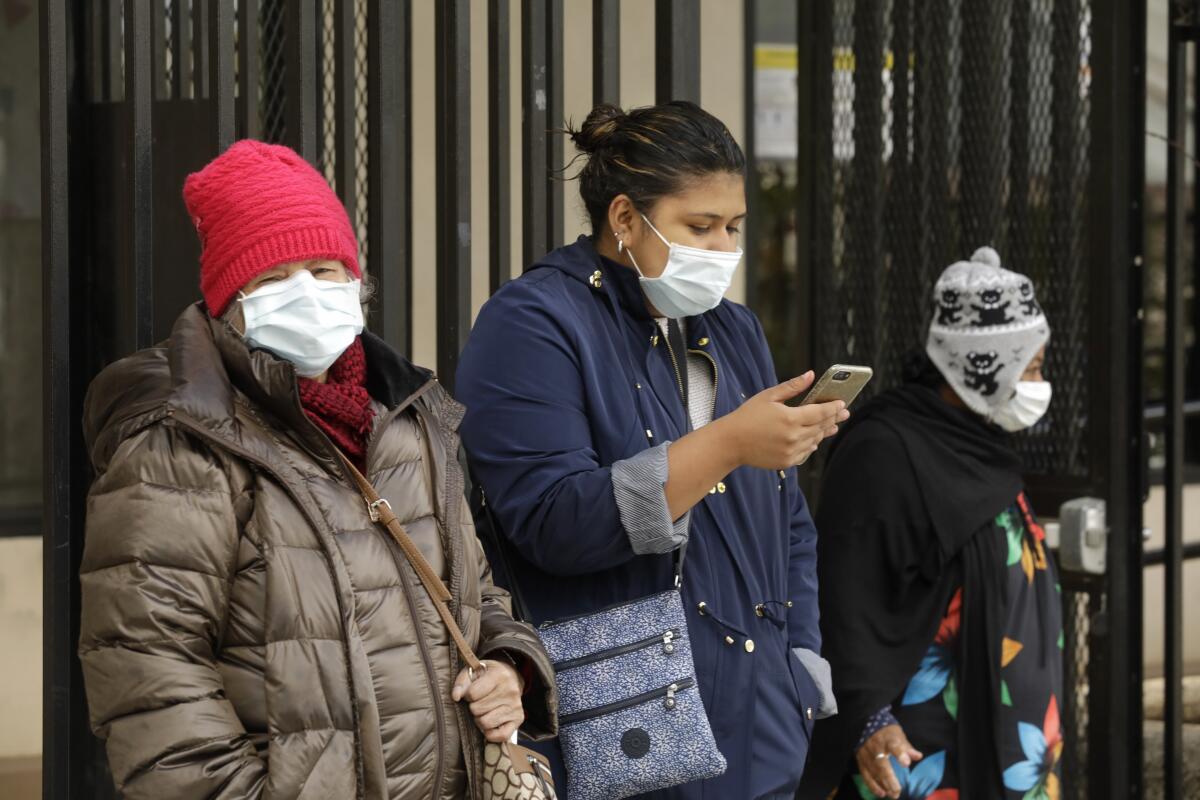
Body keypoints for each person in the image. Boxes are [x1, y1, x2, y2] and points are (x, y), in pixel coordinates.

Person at [77, 140, 556, 799]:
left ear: (358, 284)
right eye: (274, 277)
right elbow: (151, 681)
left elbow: (474, 592)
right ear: (230, 301)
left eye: (326, 268)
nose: (307, 291)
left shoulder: (407, 421)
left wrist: (506, 664)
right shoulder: (181, 445)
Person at [454, 101, 846, 799]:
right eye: (700, 226)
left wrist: (803, 662)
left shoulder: (734, 330)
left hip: (763, 733)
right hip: (623, 741)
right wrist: (726, 444)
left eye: (733, 227)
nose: (724, 248)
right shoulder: (534, 322)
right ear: (626, 219)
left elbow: (790, 526)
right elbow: (552, 523)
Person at [799, 247, 1062, 800]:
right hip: (920, 749)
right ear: (984, 366)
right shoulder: (887, 451)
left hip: (1013, 738)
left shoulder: (981, 448)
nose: (1041, 383)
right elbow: (844, 594)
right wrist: (867, 718)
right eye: (1031, 368)